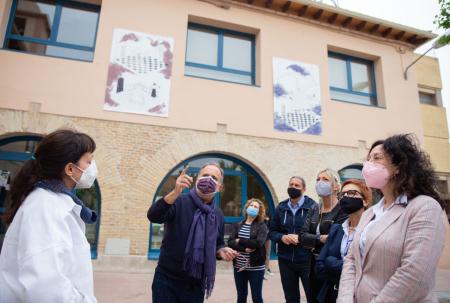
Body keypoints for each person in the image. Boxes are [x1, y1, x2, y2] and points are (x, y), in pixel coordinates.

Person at [338, 134, 446, 303]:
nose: (368, 165)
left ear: (398, 166)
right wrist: (344, 299)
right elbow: (351, 260)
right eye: (367, 159)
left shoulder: (424, 207)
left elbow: (415, 274)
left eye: (377, 158)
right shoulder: (369, 213)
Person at [0, 129, 98, 303]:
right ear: (69, 168)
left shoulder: (51, 201)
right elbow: (46, 288)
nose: (92, 168)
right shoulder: (46, 207)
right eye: (88, 162)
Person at [147, 163, 239, 303]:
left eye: (214, 177)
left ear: (219, 187)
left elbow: (218, 243)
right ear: (197, 179)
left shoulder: (218, 214)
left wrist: (221, 250)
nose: (208, 179)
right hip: (167, 280)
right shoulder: (179, 201)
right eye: (205, 175)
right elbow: (154, 216)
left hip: (196, 285)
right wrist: (175, 192)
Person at [315, 179, 372, 303]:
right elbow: (319, 267)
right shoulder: (336, 229)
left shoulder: (372, 231)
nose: (345, 197)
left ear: (365, 201)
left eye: (351, 193)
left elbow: (367, 270)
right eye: (342, 194)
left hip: (361, 296)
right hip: (332, 295)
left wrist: (331, 263)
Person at [300, 168, 348, 303]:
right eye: (318, 179)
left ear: (336, 186)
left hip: (330, 266)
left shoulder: (342, 209)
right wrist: (321, 238)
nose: (320, 182)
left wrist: (313, 240)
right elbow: (302, 237)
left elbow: (335, 240)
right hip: (312, 265)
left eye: (325, 179)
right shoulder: (314, 208)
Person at [270, 176, 317, 303]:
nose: (293, 187)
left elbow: (317, 234)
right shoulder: (281, 207)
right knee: (291, 298)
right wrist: (282, 237)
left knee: (312, 296)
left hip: (307, 261)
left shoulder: (313, 207)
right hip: (285, 260)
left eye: (297, 185)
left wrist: (302, 239)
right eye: (291, 184)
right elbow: (272, 231)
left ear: (304, 189)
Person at [228, 198, 268, 303]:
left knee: (256, 296)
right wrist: (244, 249)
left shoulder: (262, 226)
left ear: (259, 211)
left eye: (256, 207)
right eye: (251, 205)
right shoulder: (238, 225)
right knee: (241, 296)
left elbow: (258, 243)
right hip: (239, 266)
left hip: (256, 266)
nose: (253, 208)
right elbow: (231, 242)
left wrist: (240, 240)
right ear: (246, 208)